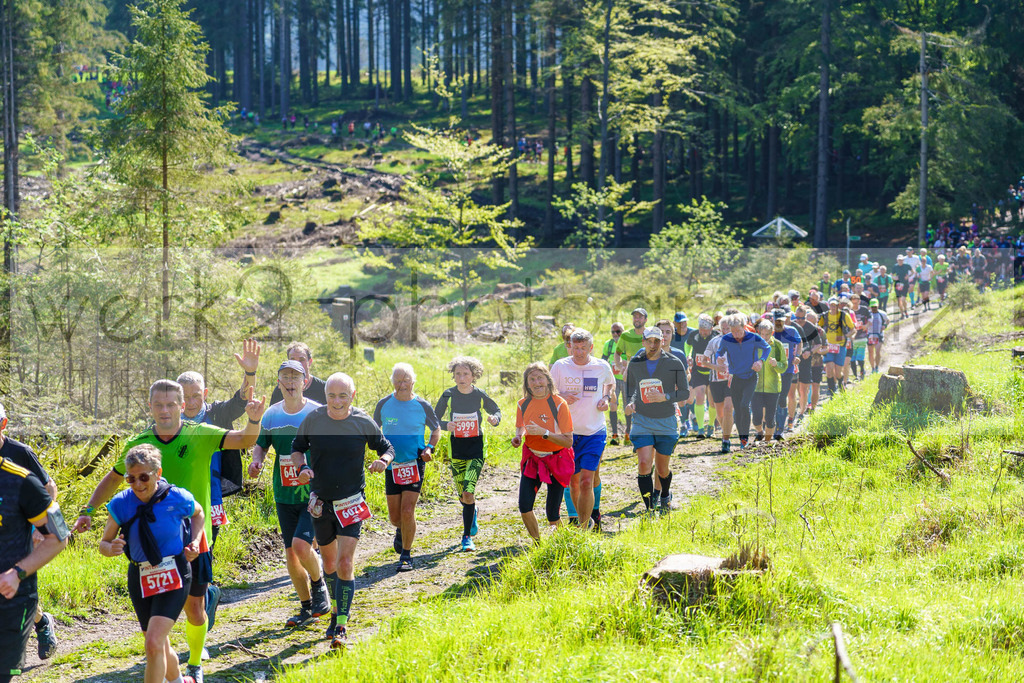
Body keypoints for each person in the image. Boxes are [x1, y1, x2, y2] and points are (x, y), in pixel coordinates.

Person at [74, 381, 267, 683]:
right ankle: (175, 674)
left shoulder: (199, 433)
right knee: (156, 633)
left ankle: (195, 663)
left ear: (181, 406)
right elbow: (113, 480)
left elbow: (244, 439)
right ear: (150, 407)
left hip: (192, 541)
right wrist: (88, 511)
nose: (164, 411)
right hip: (151, 548)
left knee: (194, 608)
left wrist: (254, 419)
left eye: (170, 404)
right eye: (158, 405)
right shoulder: (140, 445)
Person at [293, 373, 394, 646]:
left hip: (351, 502)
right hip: (321, 502)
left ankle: (340, 624)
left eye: (342, 395)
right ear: (325, 396)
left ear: (353, 395)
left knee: (345, 563)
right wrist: (302, 467)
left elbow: (386, 448)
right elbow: (297, 448)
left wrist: (383, 461)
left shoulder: (361, 421)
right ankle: (335, 609)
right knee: (329, 564)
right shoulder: (314, 419)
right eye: (331, 396)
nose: (336, 401)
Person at [100, 444, 204, 683]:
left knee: (153, 643)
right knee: (159, 643)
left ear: (158, 473)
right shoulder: (120, 503)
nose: (138, 484)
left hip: (174, 572)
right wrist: (111, 547)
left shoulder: (178, 497)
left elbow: (198, 514)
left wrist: (195, 541)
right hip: (140, 576)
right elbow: (103, 544)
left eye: (144, 477)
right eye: (131, 478)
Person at [175, 339, 261, 625]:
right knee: (181, 555)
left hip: (210, 497)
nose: (191, 401)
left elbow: (241, 402)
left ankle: (204, 596)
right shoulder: (168, 422)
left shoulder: (216, 414)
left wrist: (249, 373)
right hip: (176, 501)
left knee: (203, 552)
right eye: (185, 396)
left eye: (196, 395)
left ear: (205, 394)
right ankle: (199, 596)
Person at [248, 361, 330, 629]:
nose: (291, 382)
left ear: (305, 382)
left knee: (302, 546)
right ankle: (306, 606)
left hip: (314, 492)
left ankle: (320, 588)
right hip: (284, 494)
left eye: (296, 377)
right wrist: (256, 461)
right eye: (285, 377)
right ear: (279, 383)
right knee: (291, 555)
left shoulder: (317, 413)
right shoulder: (271, 415)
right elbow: (261, 446)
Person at [0, 426, 68, 683]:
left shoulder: (20, 472)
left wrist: (38, 529)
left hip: (12, 594)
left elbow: (59, 533)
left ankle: (39, 621)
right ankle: (41, 621)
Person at [373, 364, 440, 573]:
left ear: (413, 381)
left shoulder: (422, 405)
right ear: (393, 382)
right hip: (391, 464)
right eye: (398, 381)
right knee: (395, 517)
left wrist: (429, 447)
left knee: (407, 509)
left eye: (406, 380)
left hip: (414, 463)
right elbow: (373, 430)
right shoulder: (383, 404)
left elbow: (436, 429)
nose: (402, 385)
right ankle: (401, 531)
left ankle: (406, 556)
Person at [434, 356, 502, 551]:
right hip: (456, 449)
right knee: (463, 497)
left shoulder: (479, 394)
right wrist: (447, 425)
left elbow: (496, 410)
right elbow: (433, 418)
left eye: (465, 374)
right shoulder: (448, 395)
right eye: (458, 374)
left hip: (476, 448)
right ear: (453, 376)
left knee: (468, 491)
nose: (461, 377)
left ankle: (466, 538)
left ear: (474, 375)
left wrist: (494, 419)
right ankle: (472, 512)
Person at [550, 329, 615, 531]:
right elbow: (548, 393)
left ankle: (586, 526)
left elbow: (610, 385)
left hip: (594, 430)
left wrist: (606, 399)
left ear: (591, 348)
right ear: (569, 346)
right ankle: (579, 518)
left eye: (583, 348)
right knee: (574, 481)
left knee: (588, 480)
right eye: (575, 347)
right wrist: (561, 395)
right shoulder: (561, 367)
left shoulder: (601, 366)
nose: (579, 352)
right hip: (568, 433)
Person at [624, 327, 689, 511]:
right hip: (642, 419)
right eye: (649, 341)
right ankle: (649, 507)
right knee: (644, 463)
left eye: (657, 341)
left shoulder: (674, 362)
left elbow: (684, 392)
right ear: (643, 342)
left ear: (663, 342)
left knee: (662, 469)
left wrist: (666, 397)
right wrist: (630, 403)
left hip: (666, 419)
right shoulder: (636, 362)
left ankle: (665, 494)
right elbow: (630, 388)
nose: (653, 345)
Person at [512, 363, 574, 542]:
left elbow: (568, 441)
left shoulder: (559, 404)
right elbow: (521, 427)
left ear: (547, 380)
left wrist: (544, 433)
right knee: (525, 506)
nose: (536, 382)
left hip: (557, 460)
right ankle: (538, 545)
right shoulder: (522, 404)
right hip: (532, 459)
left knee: (552, 515)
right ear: (527, 384)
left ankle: (563, 544)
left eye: (540, 377)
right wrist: (518, 436)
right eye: (532, 379)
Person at [714, 313, 770, 451]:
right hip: (736, 378)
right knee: (738, 409)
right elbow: (719, 352)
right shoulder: (727, 339)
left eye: (738, 331)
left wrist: (760, 361)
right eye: (733, 332)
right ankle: (742, 438)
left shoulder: (753, 337)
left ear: (744, 327)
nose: (736, 334)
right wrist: (719, 358)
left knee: (745, 405)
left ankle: (744, 438)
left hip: (750, 376)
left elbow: (767, 348)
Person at [614, 308, 648, 444]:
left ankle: (644, 436)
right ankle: (630, 433)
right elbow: (617, 353)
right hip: (630, 375)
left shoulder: (649, 333)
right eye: (635, 317)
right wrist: (621, 367)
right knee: (630, 405)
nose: (637, 319)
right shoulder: (626, 335)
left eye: (640, 317)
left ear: (645, 319)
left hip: (647, 376)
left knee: (645, 405)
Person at [751, 320, 788, 442]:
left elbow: (784, 366)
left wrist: (776, 364)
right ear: (758, 332)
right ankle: (760, 432)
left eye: (767, 334)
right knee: (756, 418)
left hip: (773, 388)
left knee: (770, 418)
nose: (765, 337)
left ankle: (767, 443)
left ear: (772, 332)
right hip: (755, 387)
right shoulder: (753, 345)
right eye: (763, 334)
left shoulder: (777, 345)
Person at [687, 314, 719, 439]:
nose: (703, 332)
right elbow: (687, 345)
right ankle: (700, 429)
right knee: (699, 396)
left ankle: (711, 425)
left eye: (705, 330)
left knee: (712, 401)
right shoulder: (693, 335)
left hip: (712, 371)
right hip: (698, 371)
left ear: (711, 329)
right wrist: (688, 355)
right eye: (701, 330)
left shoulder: (716, 336)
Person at [772, 310, 802, 436]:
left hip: (788, 369)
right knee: (773, 398)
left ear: (785, 320)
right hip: (772, 371)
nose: (779, 323)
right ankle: (771, 425)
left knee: (782, 396)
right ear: (773, 320)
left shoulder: (791, 331)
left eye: (781, 320)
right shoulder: (769, 331)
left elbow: (799, 342)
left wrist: (798, 355)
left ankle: (780, 428)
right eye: (777, 320)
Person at [820, 298, 855, 397]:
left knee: (838, 372)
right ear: (829, 306)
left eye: (835, 305)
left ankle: (841, 385)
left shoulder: (844, 315)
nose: (833, 307)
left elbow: (853, 329)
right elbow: (818, 329)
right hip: (828, 346)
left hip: (840, 346)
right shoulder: (825, 316)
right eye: (831, 305)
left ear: (838, 305)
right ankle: (831, 390)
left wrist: (846, 336)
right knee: (829, 369)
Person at [599, 323, 625, 444]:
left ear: (623, 331)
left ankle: (628, 433)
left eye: (618, 331)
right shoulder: (608, 345)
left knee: (628, 407)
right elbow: (603, 360)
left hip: (626, 379)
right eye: (613, 332)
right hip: (612, 380)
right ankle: (615, 434)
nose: (615, 334)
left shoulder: (626, 344)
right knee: (613, 405)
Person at [866, 299, 889, 373]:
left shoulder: (882, 314)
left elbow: (888, 320)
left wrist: (884, 326)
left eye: (875, 306)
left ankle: (877, 367)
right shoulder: (868, 314)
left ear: (878, 306)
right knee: (870, 351)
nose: (873, 308)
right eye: (872, 306)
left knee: (878, 351)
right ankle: (872, 368)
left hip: (879, 334)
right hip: (870, 334)